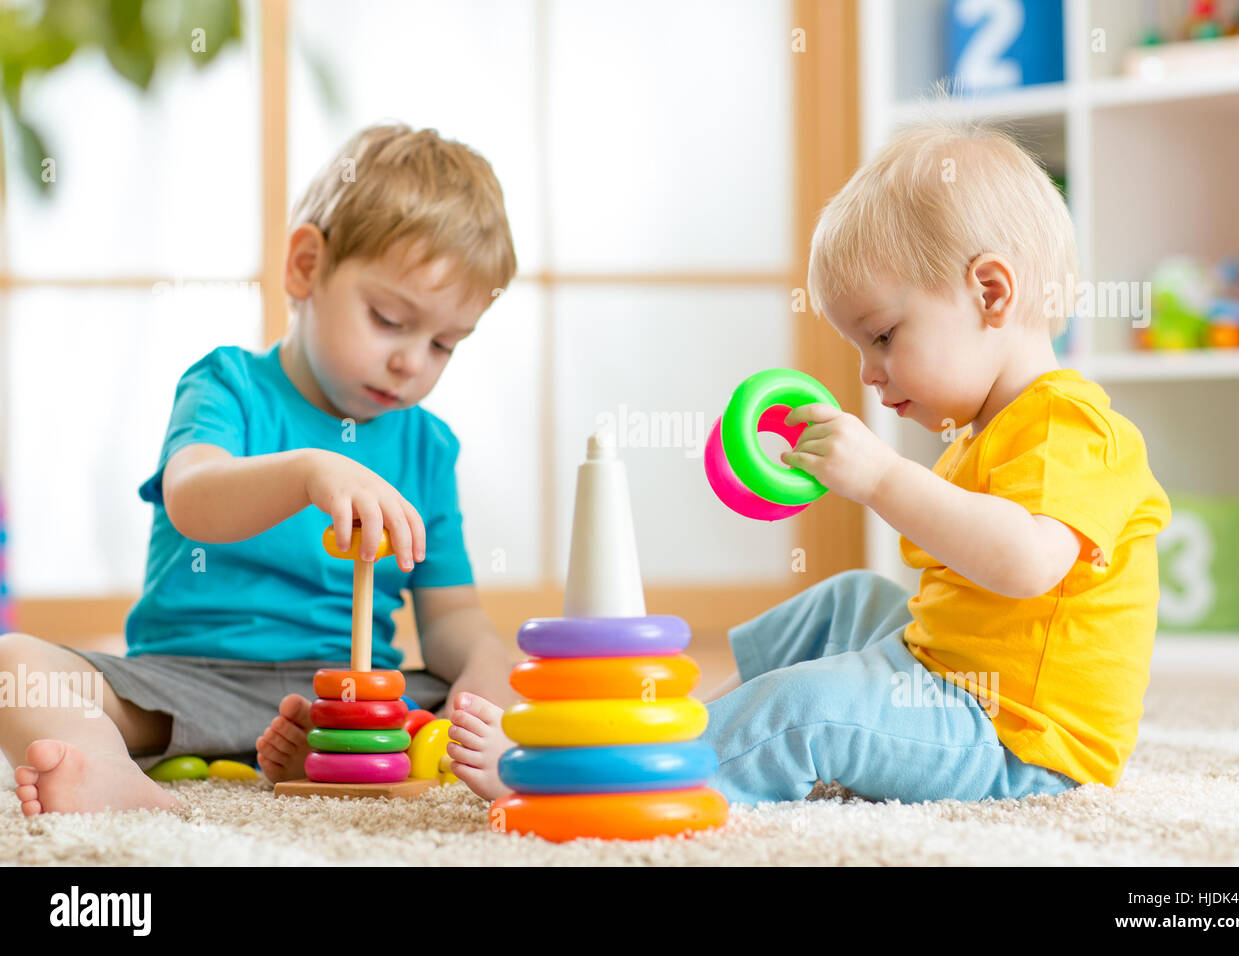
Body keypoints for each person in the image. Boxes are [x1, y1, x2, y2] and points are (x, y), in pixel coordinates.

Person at [434, 116, 1173, 806]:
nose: (869, 375)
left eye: (882, 337)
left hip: (1020, 743)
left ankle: (616, 780)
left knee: (810, 709)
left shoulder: (1069, 426)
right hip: (955, 681)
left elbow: (1027, 564)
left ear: (990, 292)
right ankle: (698, 725)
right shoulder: (988, 428)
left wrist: (882, 478)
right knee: (849, 598)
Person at [3, 123, 519, 815]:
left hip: (353, 705)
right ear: (306, 267)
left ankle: (331, 755)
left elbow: (452, 613)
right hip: (188, 686)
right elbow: (193, 499)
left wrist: (483, 677)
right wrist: (308, 472)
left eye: (444, 344)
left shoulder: (428, 447)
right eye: (390, 320)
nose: (412, 362)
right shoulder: (228, 387)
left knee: (523, 692)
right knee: (13, 670)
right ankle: (105, 768)